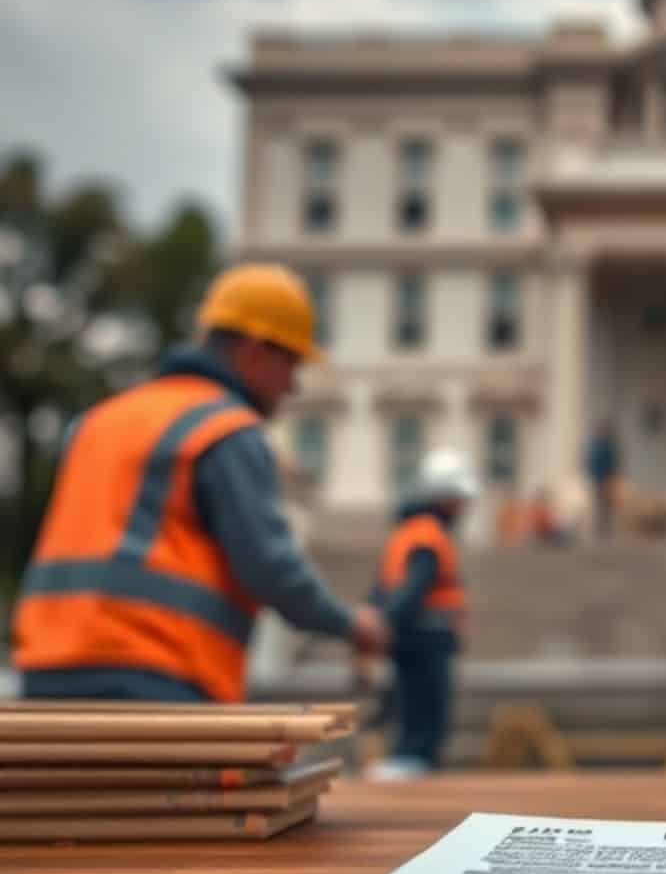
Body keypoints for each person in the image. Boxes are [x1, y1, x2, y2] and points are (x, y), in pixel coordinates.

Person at [11, 263, 388, 703]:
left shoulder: (99, 420)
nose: (293, 387)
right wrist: (350, 624)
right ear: (256, 352)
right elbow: (270, 568)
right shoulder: (225, 430)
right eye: (292, 364)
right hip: (152, 674)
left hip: (45, 671)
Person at [368, 449, 477, 780]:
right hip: (425, 638)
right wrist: (385, 624)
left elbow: (384, 588)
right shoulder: (429, 534)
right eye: (459, 498)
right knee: (426, 713)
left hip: (414, 636)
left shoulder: (409, 530)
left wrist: (379, 622)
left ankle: (410, 758)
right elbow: (414, 587)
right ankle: (413, 762)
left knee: (411, 707)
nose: (464, 507)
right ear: (444, 497)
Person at [585, 419, 621, 540]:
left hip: (606, 478)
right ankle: (600, 529)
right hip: (599, 479)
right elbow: (591, 463)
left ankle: (605, 529)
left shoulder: (607, 445)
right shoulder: (597, 445)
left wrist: (611, 477)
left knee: (606, 505)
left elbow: (613, 463)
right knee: (600, 504)